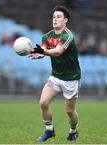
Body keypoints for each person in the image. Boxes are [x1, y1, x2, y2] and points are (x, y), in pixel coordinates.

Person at [30, 5, 81, 142]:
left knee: (70, 111)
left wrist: (43, 52)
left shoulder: (68, 36)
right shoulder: (47, 36)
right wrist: (37, 54)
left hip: (71, 78)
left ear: (66, 20)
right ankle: (49, 130)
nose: (55, 19)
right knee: (43, 102)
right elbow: (43, 50)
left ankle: (73, 130)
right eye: (53, 17)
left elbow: (58, 52)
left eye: (58, 17)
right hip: (56, 76)